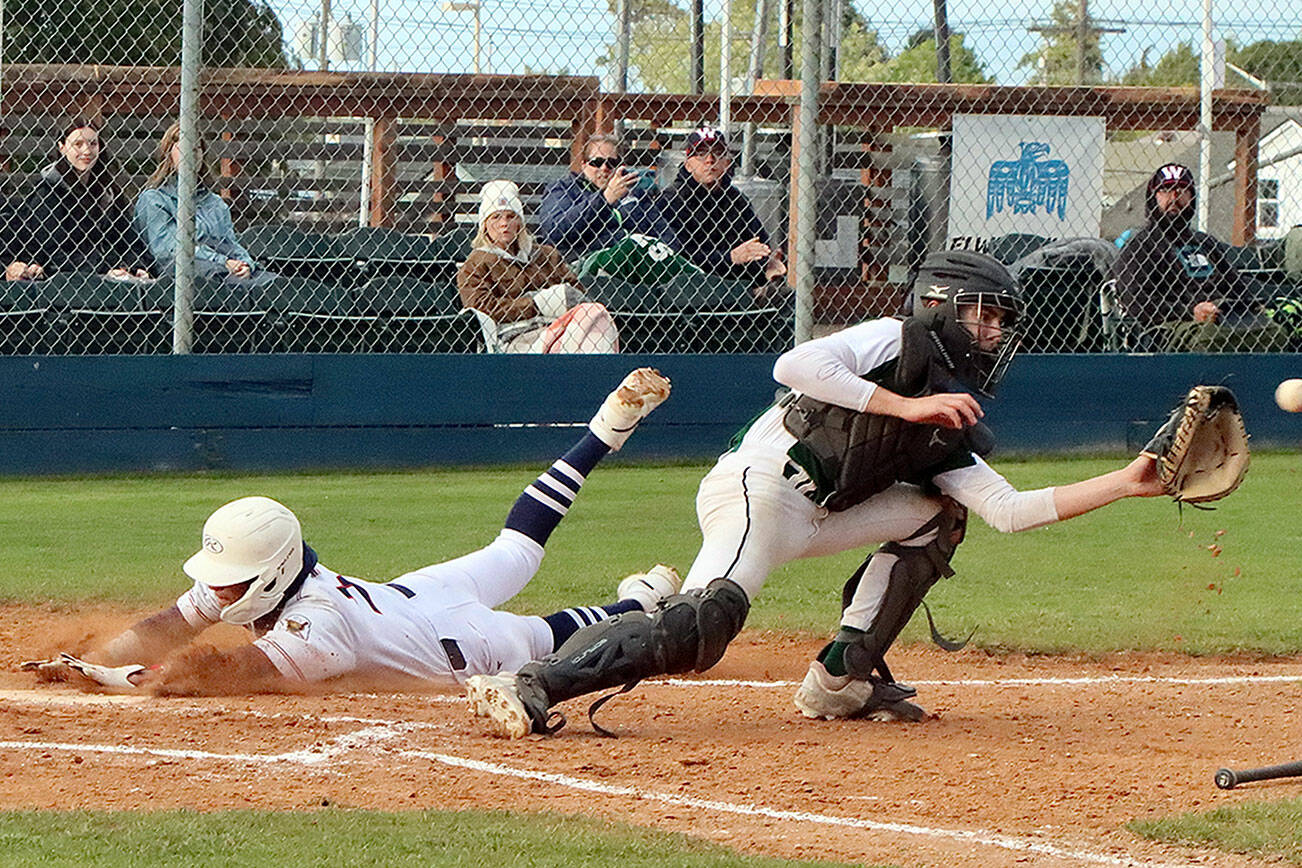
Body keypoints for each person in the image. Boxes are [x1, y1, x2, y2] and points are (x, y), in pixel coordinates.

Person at [465, 250, 1168, 739]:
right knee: (699, 629)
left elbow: (1009, 512)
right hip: (763, 487)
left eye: (1000, 321)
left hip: (819, 512)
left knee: (937, 514)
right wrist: (904, 407)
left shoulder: (950, 414)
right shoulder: (895, 338)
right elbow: (796, 363)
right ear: (940, 306)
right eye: (984, 315)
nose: (994, 332)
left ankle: (842, 679)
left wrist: (1127, 483)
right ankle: (533, 683)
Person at [29, 369, 676, 696]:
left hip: (461, 641)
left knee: (552, 630)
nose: (218, 596)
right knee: (514, 549)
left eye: (231, 587)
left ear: (274, 575)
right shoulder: (258, 578)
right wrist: (96, 657)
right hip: (411, 594)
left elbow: (219, 674)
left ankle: (640, 601)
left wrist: (111, 679)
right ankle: (602, 440)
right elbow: (171, 624)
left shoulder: (317, 626)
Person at [457, 179, 619, 353]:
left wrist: (557, 300)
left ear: (520, 222)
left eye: (511, 216)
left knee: (596, 315)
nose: (504, 223)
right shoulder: (474, 265)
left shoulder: (546, 255)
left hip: (561, 326)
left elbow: (575, 291)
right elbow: (481, 308)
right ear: (485, 225)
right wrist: (536, 304)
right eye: (496, 217)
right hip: (515, 338)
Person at [1112, 163, 1258, 348]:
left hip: (1222, 318)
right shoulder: (1140, 246)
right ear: (1153, 198)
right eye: (1165, 190)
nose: (1174, 197)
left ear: (1192, 198)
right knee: (1210, 338)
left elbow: (1237, 286)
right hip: (1171, 327)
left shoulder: (1204, 243)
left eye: (1182, 190)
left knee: (1274, 333)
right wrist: (1190, 312)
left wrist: (1249, 306)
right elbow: (1135, 300)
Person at [630, 125, 785, 288]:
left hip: (735, 283)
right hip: (686, 288)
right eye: (701, 153)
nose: (710, 160)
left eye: (717, 153)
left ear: (727, 162)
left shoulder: (737, 200)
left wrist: (768, 262)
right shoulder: (671, 200)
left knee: (784, 294)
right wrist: (730, 258)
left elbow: (757, 244)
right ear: (688, 164)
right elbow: (676, 258)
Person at [5, 118, 150, 282]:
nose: (87, 151)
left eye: (93, 144)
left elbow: (128, 239)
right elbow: (55, 252)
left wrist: (135, 266)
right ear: (62, 147)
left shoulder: (109, 191)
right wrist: (108, 269)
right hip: (65, 280)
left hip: (110, 275)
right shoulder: (48, 192)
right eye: (78, 144)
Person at [134, 121, 273, 285]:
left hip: (225, 268)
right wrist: (223, 262)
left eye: (197, 148)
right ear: (169, 154)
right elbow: (168, 249)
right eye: (183, 147)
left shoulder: (216, 203)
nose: (191, 153)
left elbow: (230, 243)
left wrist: (245, 264)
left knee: (274, 283)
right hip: (182, 274)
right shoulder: (154, 199)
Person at [538, 133, 640, 261]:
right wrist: (605, 199)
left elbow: (662, 230)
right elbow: (556, 231)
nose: (604, 168)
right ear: (584, 165)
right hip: (582, 266)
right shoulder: (564, 188)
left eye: (611, 163)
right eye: (597, 162)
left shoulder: (632, 192)